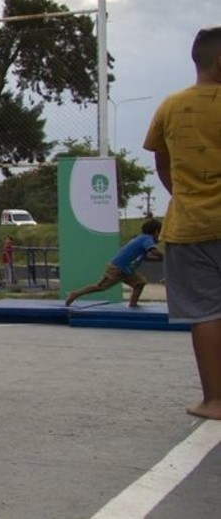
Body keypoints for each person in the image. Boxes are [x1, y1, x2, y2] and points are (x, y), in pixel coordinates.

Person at [142, 25, 221, 420]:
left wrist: (185, 195)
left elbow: (161, 163)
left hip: (191, 226)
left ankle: (214, 400)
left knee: (204, 312)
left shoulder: (171, 107)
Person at [64, 219, 161, 308]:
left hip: (127, 270)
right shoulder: (147, 239)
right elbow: (154, 251)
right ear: (156, 231)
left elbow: (142, 256)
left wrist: (157, 258)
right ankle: (75, 294)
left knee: (140, 282)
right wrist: (164, 256)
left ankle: (133, 303)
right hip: (117, 268)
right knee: (100, 287)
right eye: (159, 233)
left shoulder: (140, 238)